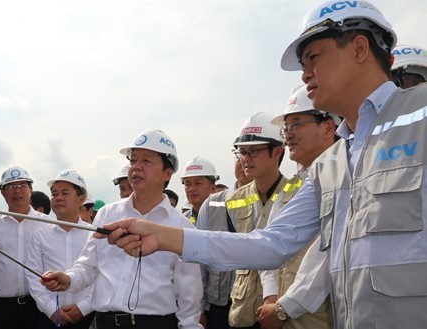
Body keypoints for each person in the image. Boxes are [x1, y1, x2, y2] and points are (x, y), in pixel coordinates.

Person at [100, 1, 427, 328]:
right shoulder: (331, 165)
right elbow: (271, 244)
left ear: (358, 48)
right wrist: (164, 236)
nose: (305, 74)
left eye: (313, 57)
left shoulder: (421, 114)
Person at [42, 129, 203, 329]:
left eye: (146, 161)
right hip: (105, 322)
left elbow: (190, 292)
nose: (136, 167)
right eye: (133, 160)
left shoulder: (181, 228)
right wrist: (68, 279)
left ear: (167, 173)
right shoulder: (107, 215)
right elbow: (88, 266)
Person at [255, 85, 338, 329]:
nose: (288, 134)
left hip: (322, 315)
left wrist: (283, 307)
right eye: (286, 127)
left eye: (297, 124)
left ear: (328, 127)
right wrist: (271, 295)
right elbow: (267, 241)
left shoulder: (341, 181)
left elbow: (324, 260)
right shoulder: (289, 188)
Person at [208, 112, 287, 329]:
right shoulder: (233, 199)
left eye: (253, 151)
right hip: (243, 308)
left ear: (277, 152)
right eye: (242, 152)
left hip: (283, 307)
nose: (246, 158)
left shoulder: (297, 193)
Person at [0, 166, 51, 329]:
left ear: (31, 189)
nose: (17, 191)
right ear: (2, 192)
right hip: (5, 309)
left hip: (40, 305)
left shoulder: (46, 223)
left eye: (22, 186)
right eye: (10, 187)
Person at [26, 169, 95, 329]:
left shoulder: (94, 235)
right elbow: (32, 276)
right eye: (55, 194)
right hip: (49, 318)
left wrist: (84, 308)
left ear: (81, 198)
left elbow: (101, 275)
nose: (58, 198)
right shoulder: (40, 235)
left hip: (88, 317)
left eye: (65, 193)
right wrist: (51, 309)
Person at [180, 157, 219, 226]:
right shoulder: (182, 221)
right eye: (187, 184)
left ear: (213, 188)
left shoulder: (224, 215)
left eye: (198, 183)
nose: (191, 189)